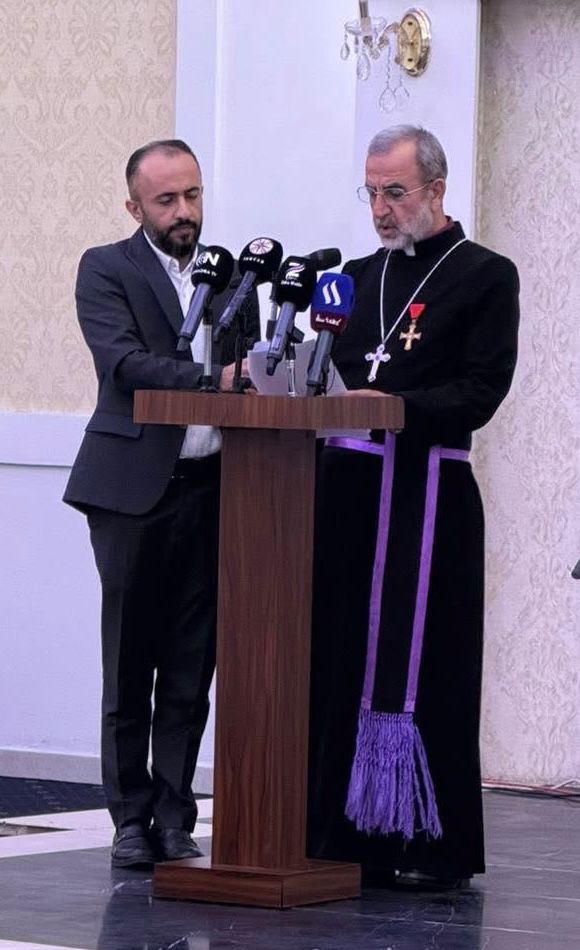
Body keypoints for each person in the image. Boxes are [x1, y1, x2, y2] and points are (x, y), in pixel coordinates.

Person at [307, 125, 519, 889]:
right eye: (371, 193)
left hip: (429, 500)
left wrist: (391, 406)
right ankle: (339, 837)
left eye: (394, 192)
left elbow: (480, 391)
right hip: (347, 500)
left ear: (436, 188)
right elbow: (324, 375)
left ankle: (431, 845)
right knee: (335, 664)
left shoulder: (484, 275)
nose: (380, 209)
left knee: (433, 673)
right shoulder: (351, 279)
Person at [64, 139, 259, 868]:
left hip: (214, 489)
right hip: (130, 491)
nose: (184, 212)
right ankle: (128, 819)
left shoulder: (234, 275)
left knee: (190, 662)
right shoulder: (105, 268)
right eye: (167, 200)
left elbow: (252, 368)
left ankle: (176, 816)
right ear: (135, 207)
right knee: (129, 660)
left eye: (193, 195)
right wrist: (215, 378)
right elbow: (124, 364)